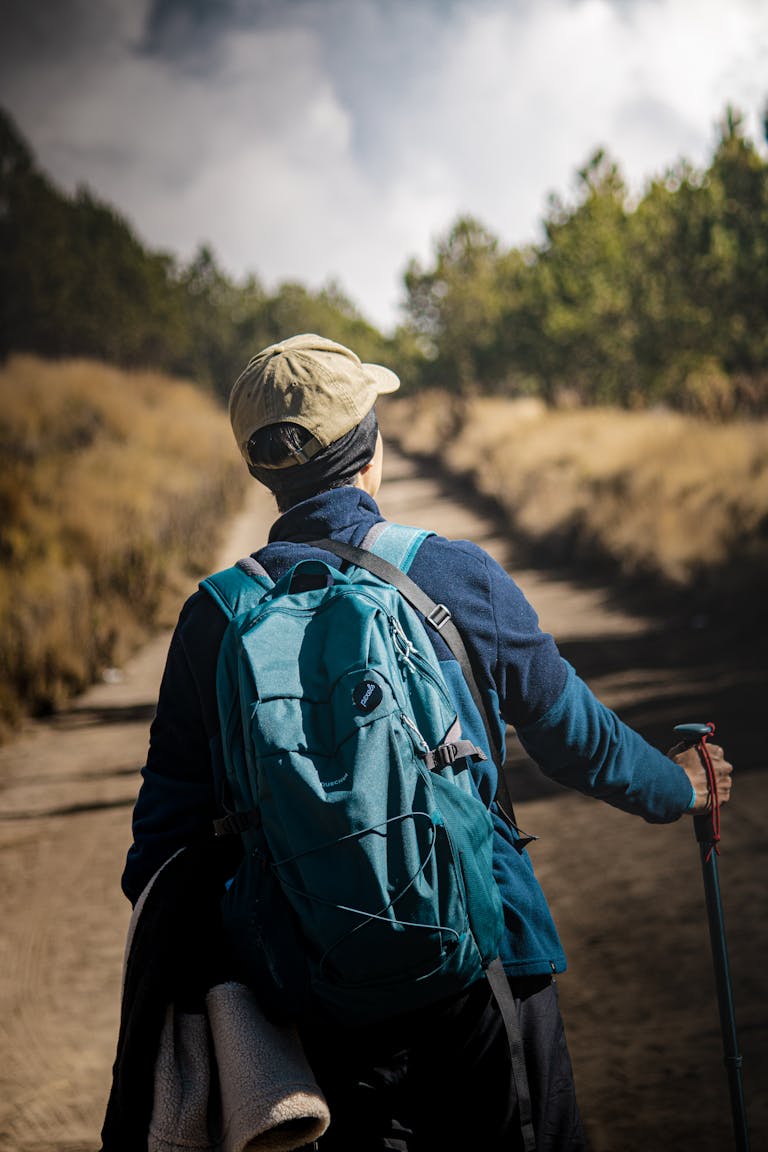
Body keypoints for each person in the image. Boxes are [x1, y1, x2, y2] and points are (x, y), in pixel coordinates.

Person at [122, 333, 734, 1152]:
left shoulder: (216, 619)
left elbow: (160, 856)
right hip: (491, 971)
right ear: (370, 447)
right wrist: (680, 786)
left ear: (261, 469)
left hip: (320, 1002)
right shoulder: (451, 575)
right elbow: (575, 740)